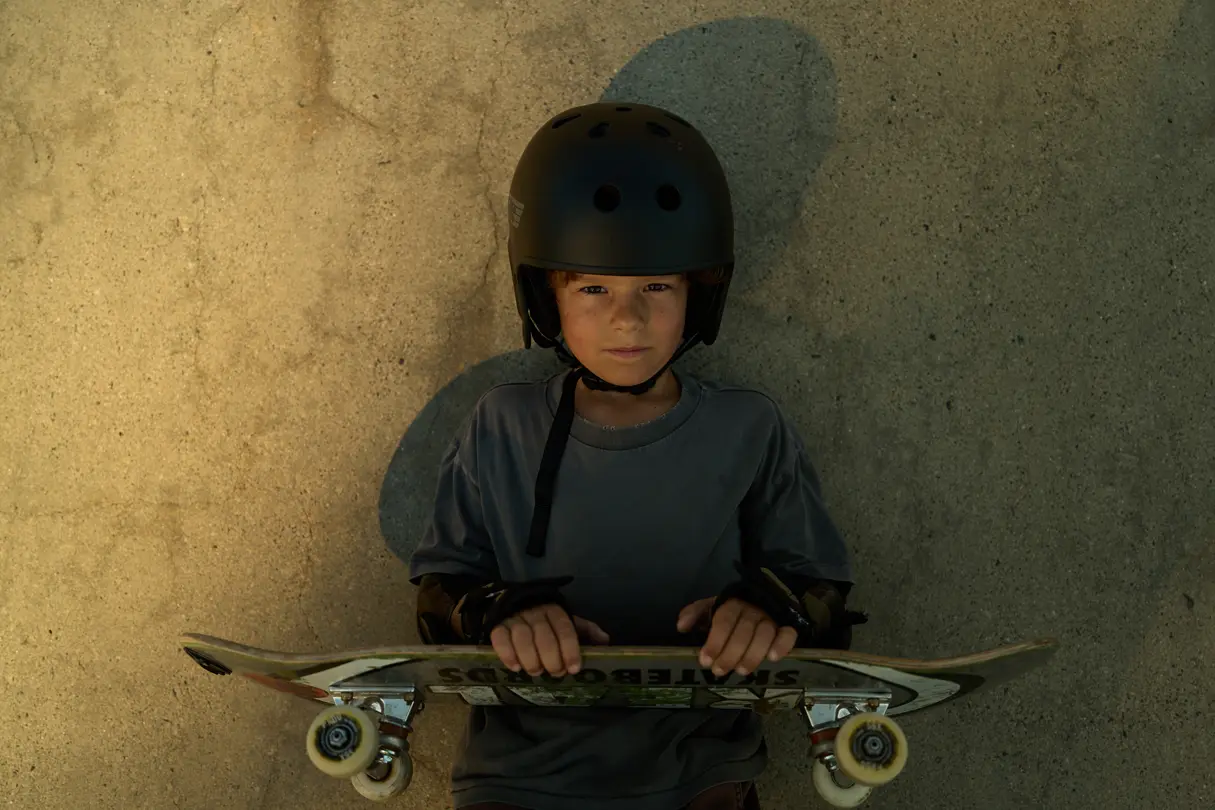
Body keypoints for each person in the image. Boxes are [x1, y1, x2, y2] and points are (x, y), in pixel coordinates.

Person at [408, 101, 864, 810]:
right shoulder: (501, 425)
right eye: (592, 289)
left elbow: (821, 595)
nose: (627, 318)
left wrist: (768, 608)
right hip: (518, 780)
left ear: (698, 293)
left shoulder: (748, 428)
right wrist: (496, 612)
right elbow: (439, 597)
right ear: (544, 296)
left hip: (696, 778)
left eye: (657, 286)